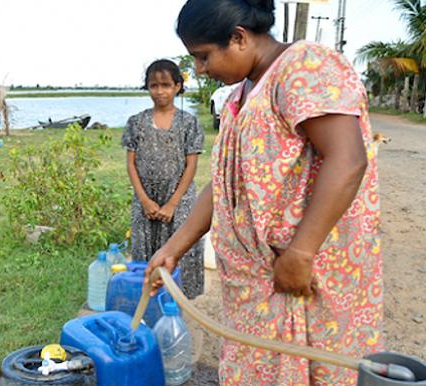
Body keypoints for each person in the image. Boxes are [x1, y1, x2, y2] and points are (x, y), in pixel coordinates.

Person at [145, 1, 382, 384]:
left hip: (300, 278)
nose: (201, 70)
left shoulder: (305, 67)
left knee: (313, 369)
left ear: (238, 37)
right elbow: (226, 184)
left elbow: (347, 158)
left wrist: (301, 252)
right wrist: (174, 248)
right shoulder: (245, 91)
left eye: (203, 57)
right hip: (258, 288)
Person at [122, 59, 205, 299]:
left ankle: (179, 305)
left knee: (181, 253)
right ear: (147, 88)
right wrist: (145, 201)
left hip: (179, 200)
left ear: (178, 86)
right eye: (154, 85)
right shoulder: (136, 122)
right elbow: (131, 164)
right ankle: (147, 302)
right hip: (146, 199)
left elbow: (191, 165)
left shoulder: (189, 123)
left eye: (166, 85)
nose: (160, 91)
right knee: (145, 255)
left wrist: (172, 204)